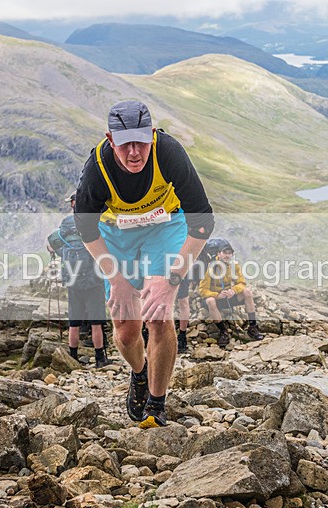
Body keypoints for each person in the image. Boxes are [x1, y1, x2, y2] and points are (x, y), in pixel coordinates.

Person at [74, 100, 214, 428]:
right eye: (125, 145)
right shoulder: (98, 169)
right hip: (116, 234)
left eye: (141, 142)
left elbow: (203, 223)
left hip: (165, 225)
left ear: (152, 135)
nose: (134, 152)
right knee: (125, 330)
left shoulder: (169, 154)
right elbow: (85, 229)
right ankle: (139, 373)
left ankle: (156, 401)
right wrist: (118, 280)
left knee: (159, 314)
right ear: (111, 140)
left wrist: (173, 278)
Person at [47, 192, 112, 368]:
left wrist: (60, 254)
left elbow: (54, 241)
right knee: (96, 322)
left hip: (73, 281)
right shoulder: (94, 221)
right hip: (94, 280)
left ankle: (73, 357)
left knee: (74, 322)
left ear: (73, 205)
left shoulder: (66, 223)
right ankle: (100, 359)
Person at [198, 239, 265, 347]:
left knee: (247, 292)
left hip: (229, 296)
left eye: (230, 253)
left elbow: (242, 283)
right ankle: (223, 332)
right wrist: (217, 295)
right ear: (219, 254)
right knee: (210, 301)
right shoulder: (210, 267)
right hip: (216, 299)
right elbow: (202, 290)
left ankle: (252, 327)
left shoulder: (234, 266)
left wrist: (233, 290)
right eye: (225, 252)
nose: (227, 255)